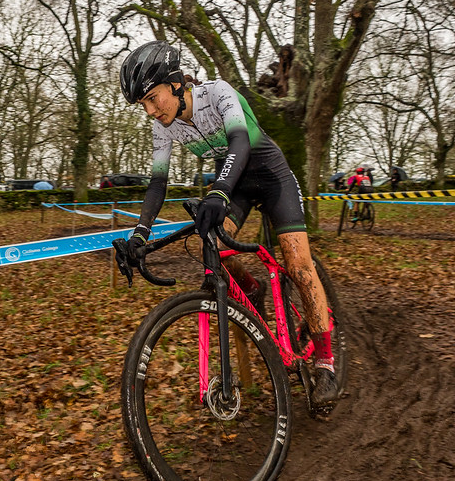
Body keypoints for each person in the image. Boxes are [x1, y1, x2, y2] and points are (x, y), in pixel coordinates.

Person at [120, 40, 339, 409]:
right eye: (143, 104)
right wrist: (140, 233)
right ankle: (251, 289)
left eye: (152, 99)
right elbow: (158, 183)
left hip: (270, 176)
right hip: (234, 183)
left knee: (299, 265)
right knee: (214, 251)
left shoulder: (218, 93)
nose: (150, 111)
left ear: (176, 84)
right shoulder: (164, 126)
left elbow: (240, 140)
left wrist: (219, 191)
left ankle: (326, 363)